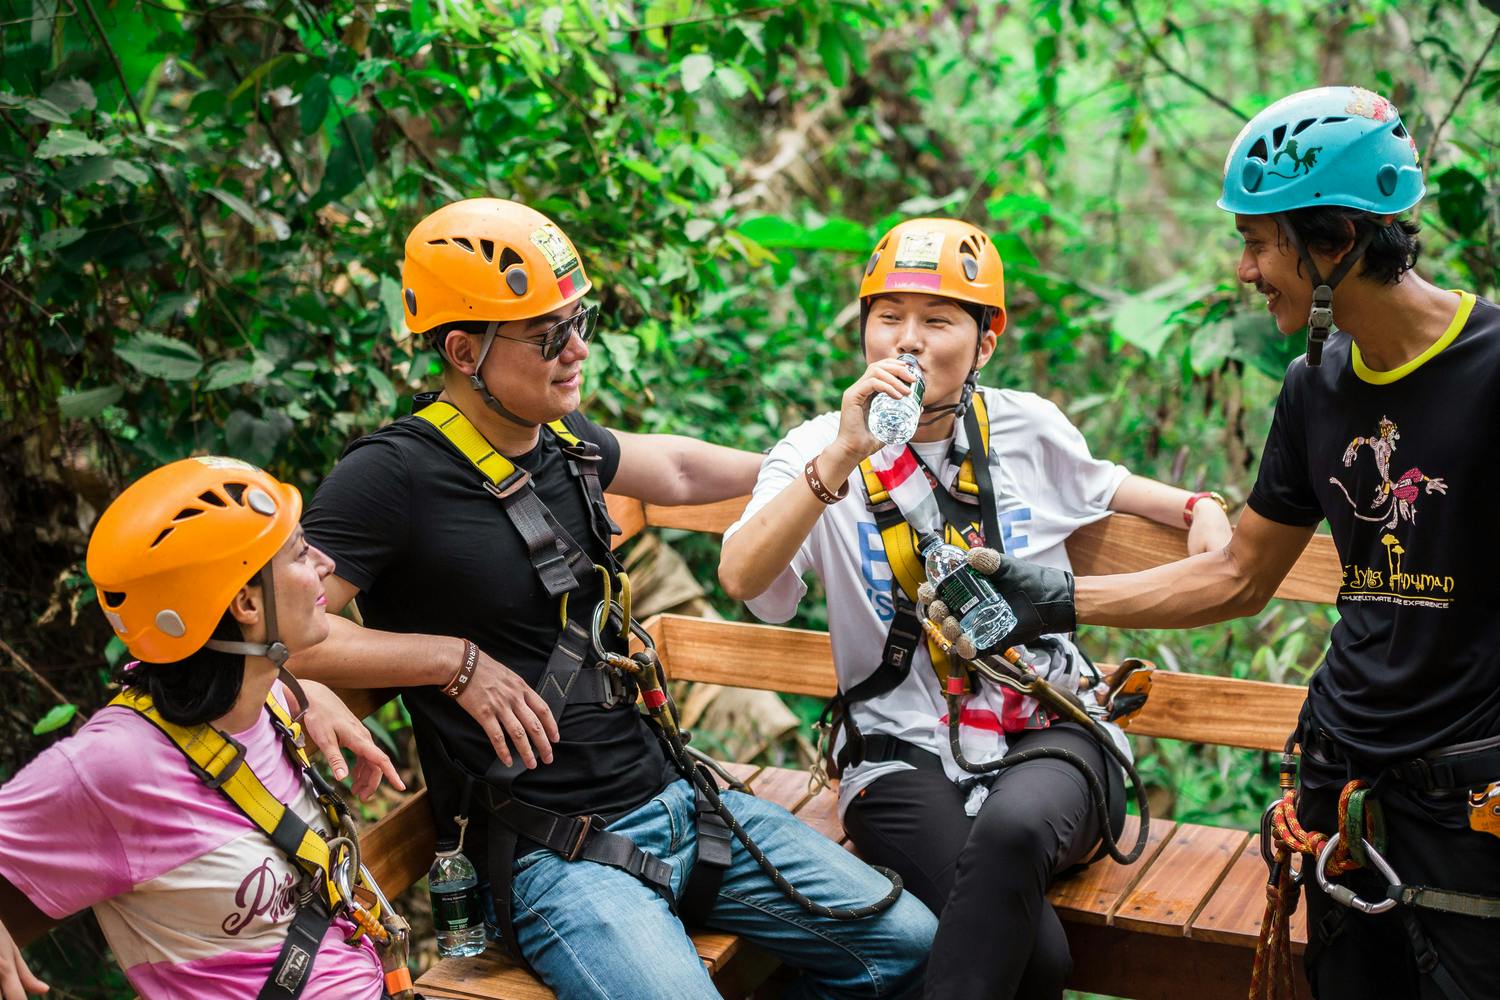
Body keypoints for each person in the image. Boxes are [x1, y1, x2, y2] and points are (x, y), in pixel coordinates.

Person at [292, 198, 936, 999]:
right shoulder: (389, 476)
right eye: (548, 335)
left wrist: (825, 451)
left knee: (913, 945)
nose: (579, 349)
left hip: (673, 801)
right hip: (552, 852)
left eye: (579, 319)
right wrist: (451, 662)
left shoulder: (559, 439)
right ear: (463, 350)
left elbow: (677, 474)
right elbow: (287, 627)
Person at [971, 86, 1500, 1000]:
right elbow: (1239, 572)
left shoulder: (1492, 368)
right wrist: (1054, 599)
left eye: (1260, 243)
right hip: (1341, 783)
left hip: (1466, 797)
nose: (1246, 271)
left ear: (1332, 242)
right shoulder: (1313, 386)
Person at [718, 216, 1233, 1000]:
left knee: (1015, 830)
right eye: (887, 318)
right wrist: (842, 459)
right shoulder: (815, 448)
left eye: (937, 320)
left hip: (1050, 726)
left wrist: (1200, 505)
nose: (908, 341)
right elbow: (741, 576)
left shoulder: (1024, 427)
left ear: (986, 341)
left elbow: (1120, 490)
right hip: (897, 752)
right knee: (1042, 963)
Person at [0, 456, 407, 1000]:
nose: (326, 564)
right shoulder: (119, 763)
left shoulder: (263, 706)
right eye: (299, 553)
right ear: (244, 602)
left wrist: (310, 696)